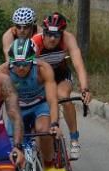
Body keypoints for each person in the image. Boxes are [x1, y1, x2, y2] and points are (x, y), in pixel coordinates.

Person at [0, 38, 60, 171]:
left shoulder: (43, 69)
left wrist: (55, 124)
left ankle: (48, 166)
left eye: (25, 64)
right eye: (17, 64)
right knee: (14, 161)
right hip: (17, 112)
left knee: (43, 130)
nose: (21, 69)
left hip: (40, 106)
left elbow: (52, 100)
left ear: (32, 61)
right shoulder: (2, 72)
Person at [31, 12, 92, 159]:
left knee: (63, 96)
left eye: (56, 35)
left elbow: (78, 65)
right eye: (49, 34)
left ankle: (74, 139)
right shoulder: (35, 42)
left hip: (61, 74)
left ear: (62, 34)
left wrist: (85, 89)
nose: (52, 39)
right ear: (43, 32)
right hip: (42, 77)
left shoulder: (68, 39)